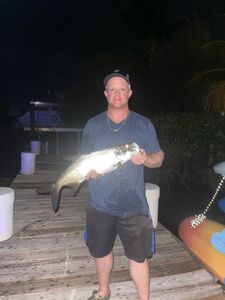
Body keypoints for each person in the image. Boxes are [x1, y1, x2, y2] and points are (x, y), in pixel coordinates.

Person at [80, 70, 164, 300]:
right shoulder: (92, 124)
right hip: (100, 204)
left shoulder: (143, 125)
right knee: (101, 252)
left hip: (134, 206)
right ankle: (103, 291)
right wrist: (89, 172)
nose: (117, 93)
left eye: (122, 89)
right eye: (113, 89)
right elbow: (84, 159)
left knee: (138, 257)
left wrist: (146, 159)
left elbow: (159, 158)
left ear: (130, 93)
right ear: (106, 93)